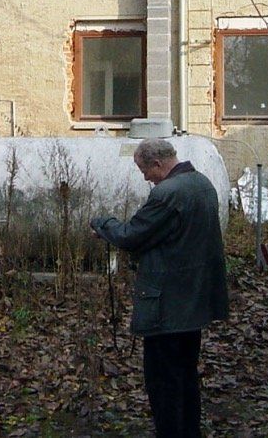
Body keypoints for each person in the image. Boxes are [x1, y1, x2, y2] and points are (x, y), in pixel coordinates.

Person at [90, 138, 228, 438]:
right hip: (194, 300)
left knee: (162, 381)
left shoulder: (168, 194)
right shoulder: (202, 184)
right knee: (186, 375)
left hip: (167, 303)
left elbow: (132, 235)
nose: (144, 177)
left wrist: (103, 224)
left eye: (144, 170)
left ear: (157, 164)